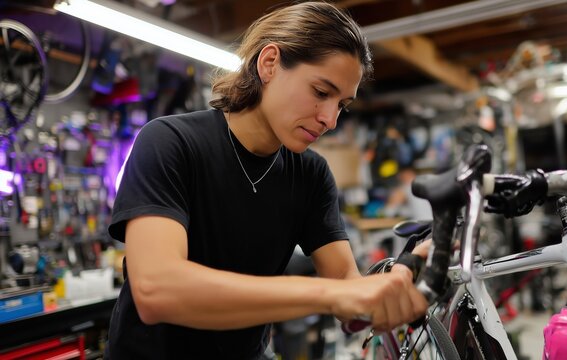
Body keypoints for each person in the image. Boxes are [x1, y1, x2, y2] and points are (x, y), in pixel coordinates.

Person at [106, 2, 429, 359]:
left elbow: (345, 289)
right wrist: (328, 295)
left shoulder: (311, 175)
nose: (330, 119)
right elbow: (156, 291)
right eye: (322, 92)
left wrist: (400, 277)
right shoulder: (170, 143)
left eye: (342, 105)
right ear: (269, 63)